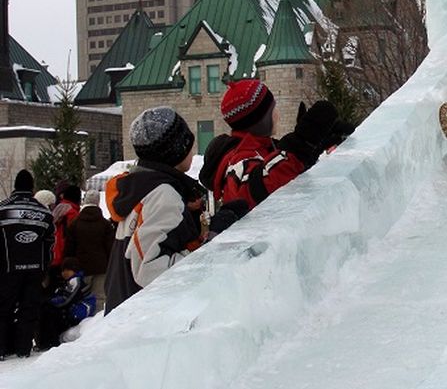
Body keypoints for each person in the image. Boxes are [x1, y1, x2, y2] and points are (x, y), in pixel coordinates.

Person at [104, 107, 203, 314]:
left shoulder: (138, 191)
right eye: (189, 144)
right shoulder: (163, 195)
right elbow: (150, 270)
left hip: (121, 314)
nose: (192, 151)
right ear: (177, 150)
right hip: (144, 324)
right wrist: (204, 251)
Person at [199, 80, 354, 212]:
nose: (277, 114)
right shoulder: (239, 159)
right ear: (260, 120)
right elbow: (255, 187)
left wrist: (312, 148)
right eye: (273, 109)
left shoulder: (265, 148)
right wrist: (299, 145)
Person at [0, 169, 55, 360]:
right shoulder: (44, 212)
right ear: (32, 187)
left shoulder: (2, 209)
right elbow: (49, 243)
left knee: (3, 309)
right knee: (28, 309)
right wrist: (44, 267)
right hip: (34, 269)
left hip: (7, 269)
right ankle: (23, 349)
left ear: (15, 185)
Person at [64, 190, 114, 312]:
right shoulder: (105, 224)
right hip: (101, 267)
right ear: (98, 203)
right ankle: (95, 326)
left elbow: (69, 248)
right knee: (100, 299)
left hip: (81, 267)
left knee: (80, 296)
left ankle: (80, 324)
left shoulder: (75, 224)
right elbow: (110, 247)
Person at [36, 257, 95, 351]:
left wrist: (51, 302)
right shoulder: (69, 281)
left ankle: (50, 342)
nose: (65, 273)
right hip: (74, 309)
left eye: (68, 270)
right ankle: (47, 341)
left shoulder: (76, 281)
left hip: (80, 311)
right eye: (63, 270)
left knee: (50, 312)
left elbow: (68, 300)